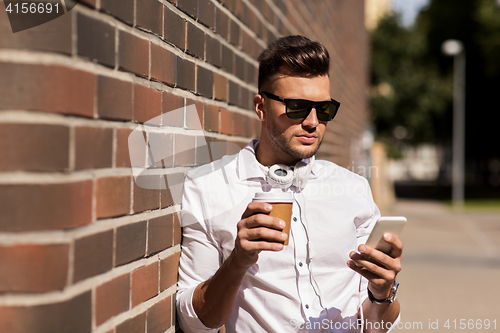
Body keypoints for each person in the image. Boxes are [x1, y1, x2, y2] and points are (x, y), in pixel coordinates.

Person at [176, 35, 403, 333]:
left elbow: (375, 325)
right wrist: (237, 262)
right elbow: (194, 324)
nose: (312, 122)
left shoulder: (353, 189)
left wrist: (383, 293)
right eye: (297, 107)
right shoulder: (208, 187)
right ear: (261, 106)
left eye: (324, 109)